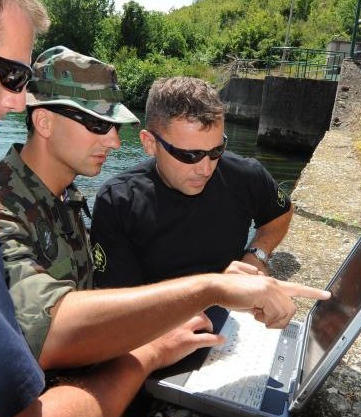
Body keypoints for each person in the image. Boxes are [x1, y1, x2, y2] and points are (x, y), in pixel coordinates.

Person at [0, 48, 325, 417]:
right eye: (98, 125)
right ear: (44, 122)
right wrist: (207, 291)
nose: (114, 141)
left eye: (114, 126)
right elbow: (51, 331)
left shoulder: (64, 200)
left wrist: (251, 261)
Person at [90, 76, 295, 289]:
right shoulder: (118, 202)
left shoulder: (245, 175)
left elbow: (281, 214)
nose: (206, 169)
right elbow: (118, 300)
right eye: (189, 155)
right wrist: (207, 292)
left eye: (216, 150)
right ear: (150, 143)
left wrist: (256, 254)